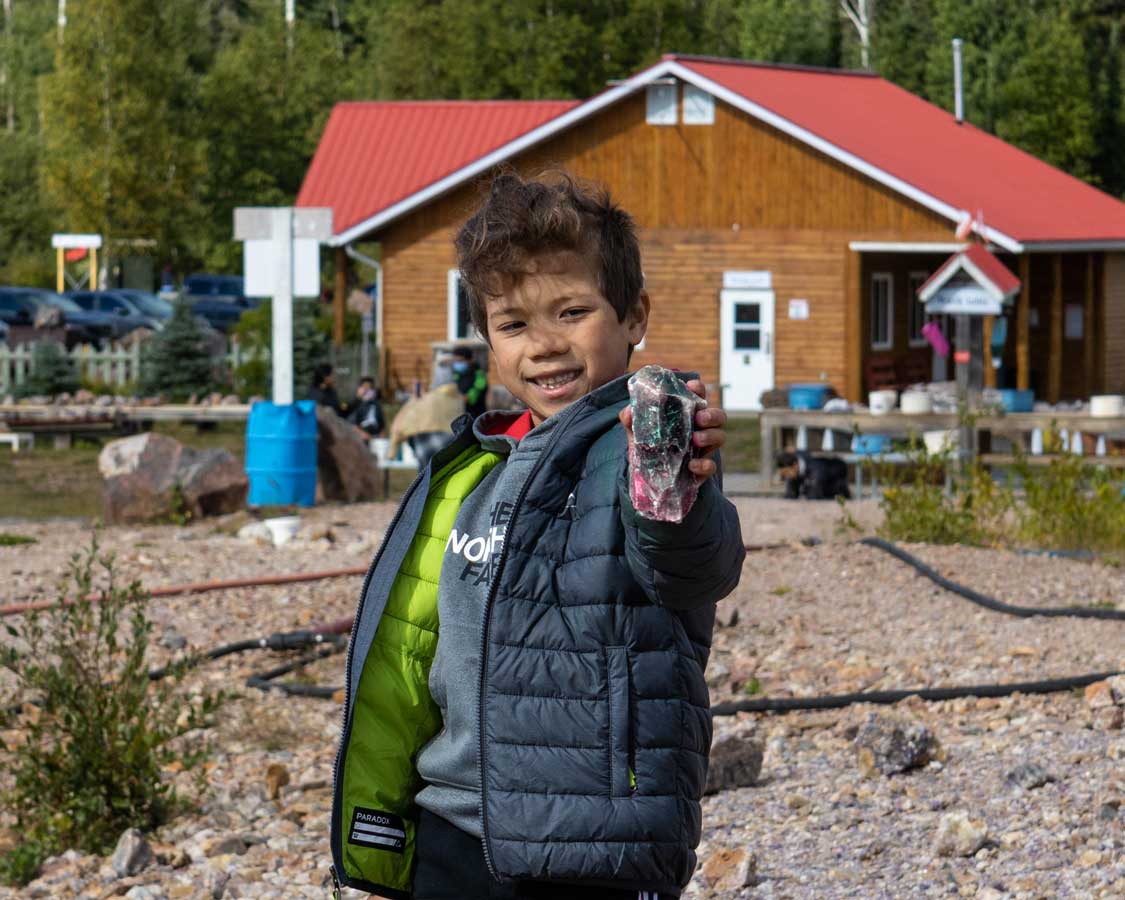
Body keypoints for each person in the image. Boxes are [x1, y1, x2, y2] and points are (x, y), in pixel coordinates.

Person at [329, 171, 745, 900]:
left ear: (633, 315)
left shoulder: (634, 451)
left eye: (572, 311)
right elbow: (415, 654)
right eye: (514, 324)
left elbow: (690, 566)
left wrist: (673, 485)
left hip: (588, 848)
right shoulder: (473, 468)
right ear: (488, 341)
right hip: (451, 828)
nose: (545, 344)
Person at [450, 345, 489, 418]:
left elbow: (478, 389)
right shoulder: (458, 374)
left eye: (460, 361)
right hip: (461, 413)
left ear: (469, 360)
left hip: (476, 415)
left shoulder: (478, 374)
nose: (457, 363)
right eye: (455, 361)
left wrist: (466, 397)